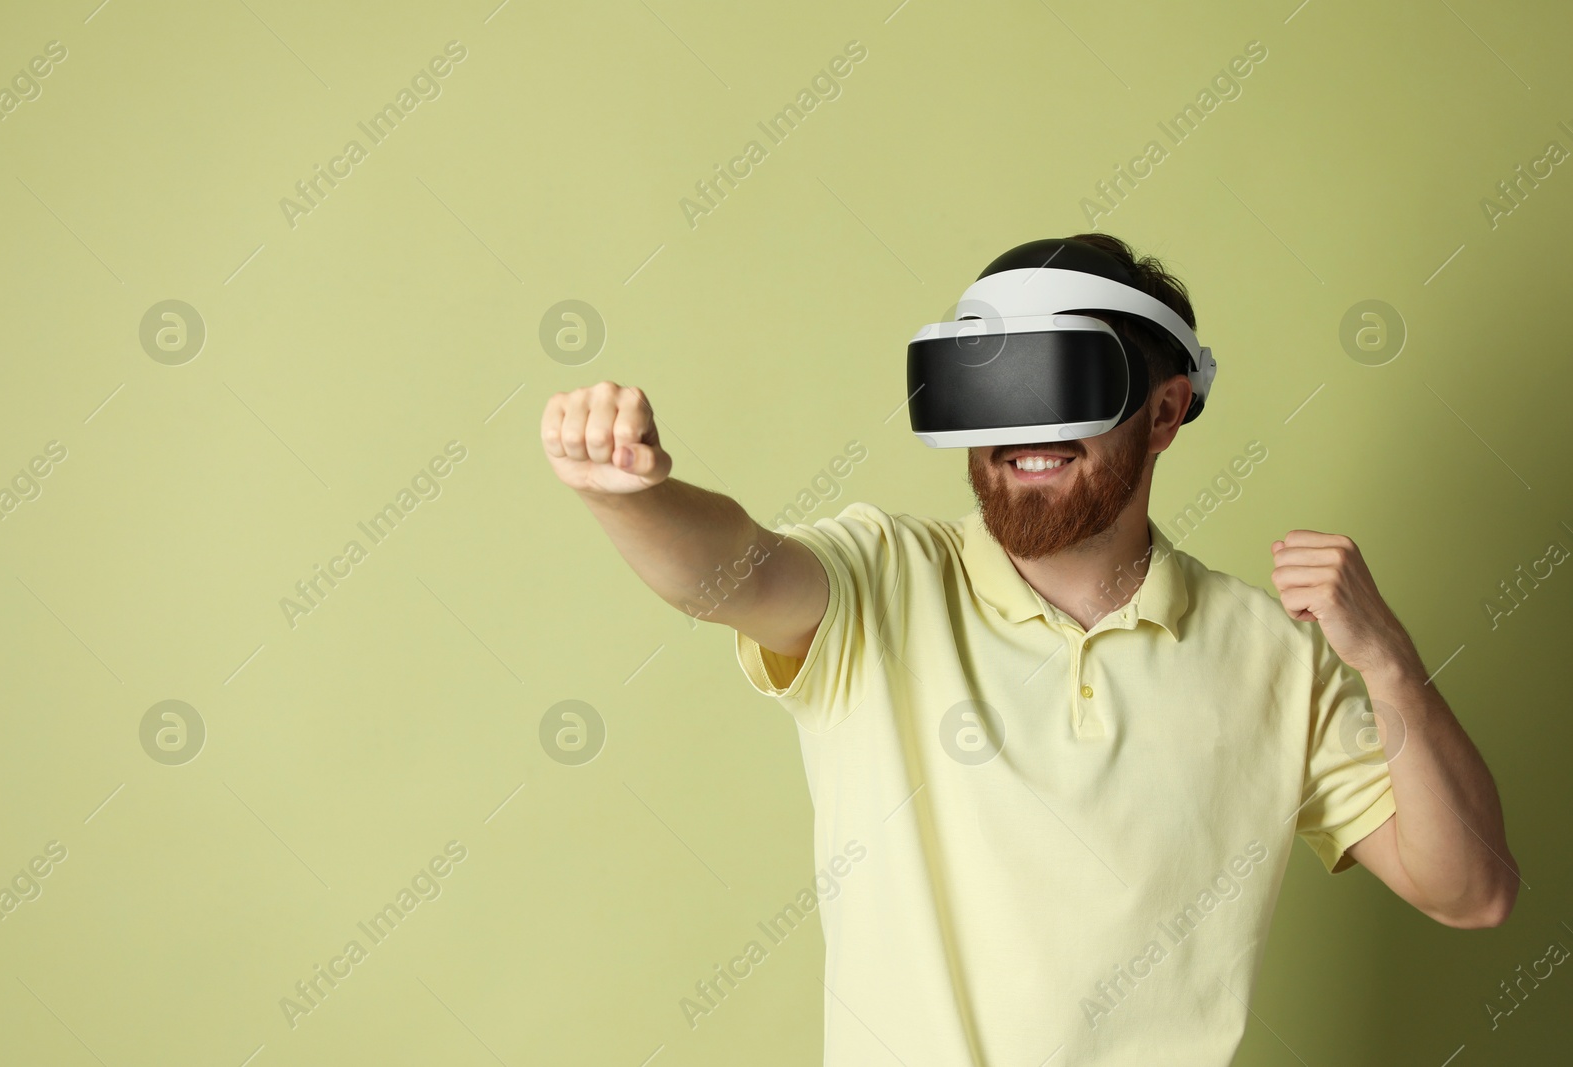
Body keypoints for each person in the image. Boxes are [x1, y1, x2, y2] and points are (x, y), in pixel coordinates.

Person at [541, 232, 1518, 1066]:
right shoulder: (887, 578)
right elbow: (736, 573)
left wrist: (1389, 662)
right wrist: (626, 493)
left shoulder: (1273, 653)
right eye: (991, 389)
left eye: (1059, 385)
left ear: (1166, 409)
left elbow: (1470, 891)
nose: (1022, 433)